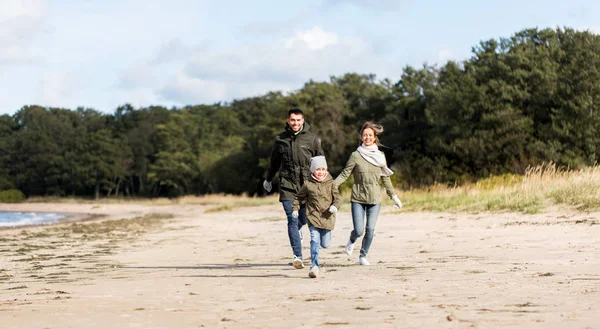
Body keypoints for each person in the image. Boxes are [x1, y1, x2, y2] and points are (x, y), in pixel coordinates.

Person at [334, 121, 403, 266]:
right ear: (361, 137)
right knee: (359, 230)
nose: (367, 137)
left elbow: (385, 178)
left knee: (370, 230)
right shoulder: (355, 155)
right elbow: (345, 174)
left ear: (374, 137)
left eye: (370, 135)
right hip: (358, 197)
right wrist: (332, 185)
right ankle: (352, 240)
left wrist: (394, 196)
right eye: (365, 135)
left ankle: (363, 255)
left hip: (375, 198)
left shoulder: (380, 155)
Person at [263, 108, 324, 269]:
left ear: (303, 121)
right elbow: (274, 162)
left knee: (303, 219)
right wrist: (268, 179)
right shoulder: (280, 139)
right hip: (288, 185)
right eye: (292, 120)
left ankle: (298, 231)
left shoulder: (312, 139)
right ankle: (297, 256)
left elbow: (320, 162)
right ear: (288, 121)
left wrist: (324, 183)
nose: (295, 123)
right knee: (292, 218)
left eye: (298, 120)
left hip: (308, 185)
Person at [292, 156, 341, 278]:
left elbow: (338, 199)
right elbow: (299, 197)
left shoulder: (332, 183)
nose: (320, 172)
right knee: (314, 239)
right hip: (313, 217)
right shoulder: (308, 184)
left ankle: (319, 251)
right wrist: (295, 208)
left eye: (323, 169)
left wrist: (335, 206)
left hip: (327, 218)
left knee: (325, 244)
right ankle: (314, 266)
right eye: (318, 169)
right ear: (313, 170)